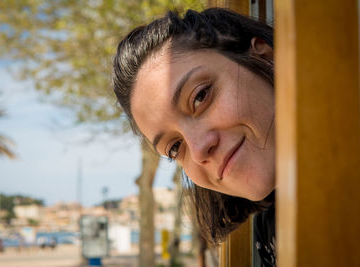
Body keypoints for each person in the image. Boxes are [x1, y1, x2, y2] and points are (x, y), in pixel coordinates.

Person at [112, 8, 276, 266]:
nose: (198, 150)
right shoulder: (269, 233)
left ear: (265, 57)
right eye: (175, 147)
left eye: (200, 97)